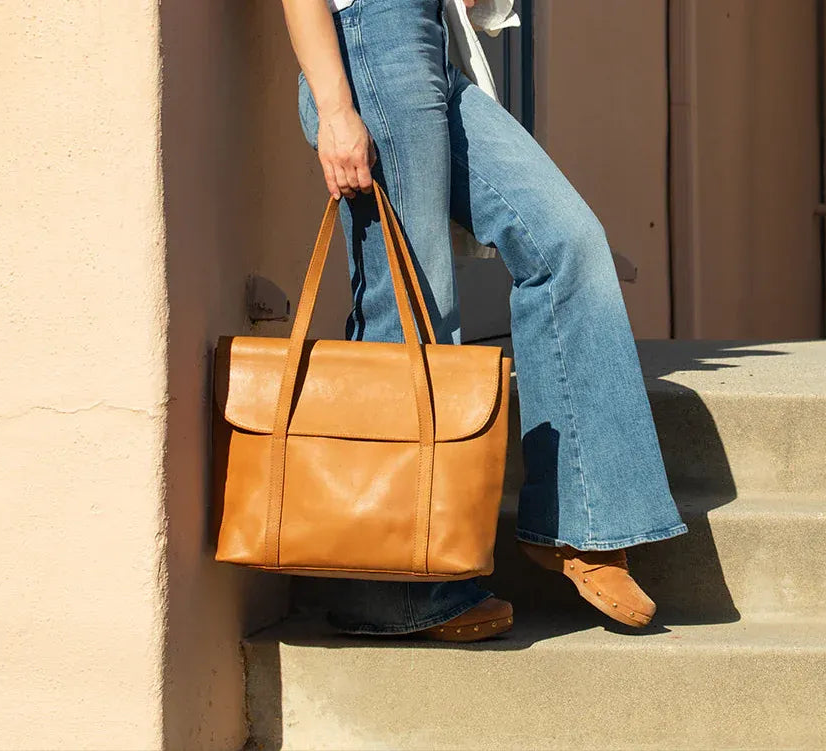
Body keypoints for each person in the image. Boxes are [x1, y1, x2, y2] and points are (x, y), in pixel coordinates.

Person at [280, 0, 686, 642]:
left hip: (429, 45)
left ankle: (584, 518)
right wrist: (335, 109)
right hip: (367, 41)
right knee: (413, 305)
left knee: (567, 243)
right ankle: (397, 588)